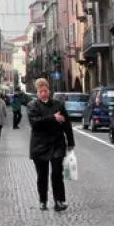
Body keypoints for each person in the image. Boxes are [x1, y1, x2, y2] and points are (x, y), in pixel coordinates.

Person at [28, 77, 75, 211]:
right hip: (40, 145)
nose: (43, 93)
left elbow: (67, 124)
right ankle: (43, 200)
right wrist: (53, 118)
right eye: (41, 91)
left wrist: (70, 141)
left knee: (57, 174)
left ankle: (59, 201)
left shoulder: (57, 105)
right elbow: (35, 123)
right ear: (37, 92)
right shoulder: (33, 106)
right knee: (42, 175)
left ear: (49, 91)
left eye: (45, 90)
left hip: (57, 143)